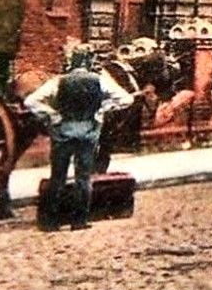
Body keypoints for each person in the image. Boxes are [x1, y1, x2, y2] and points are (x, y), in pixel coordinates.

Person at [23, 44, 134, 231]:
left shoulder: (59, 81)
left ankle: (51, 222)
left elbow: (31, 101)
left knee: (57, 177)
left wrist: (52, 115)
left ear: (72, 61)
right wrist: (102, 110)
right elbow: (126, 99)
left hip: (62, 133)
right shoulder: (99, 81)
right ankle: (79, 221)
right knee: (83, 178)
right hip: (88, 134)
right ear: (89, 61)